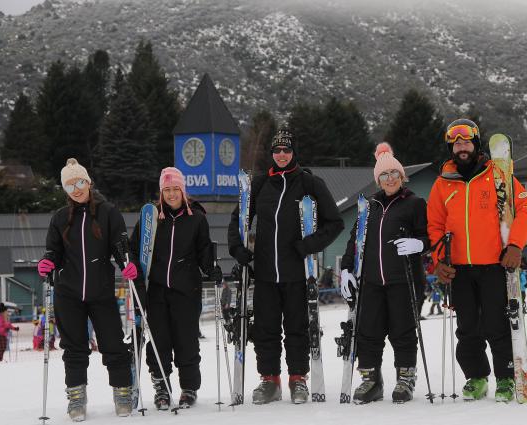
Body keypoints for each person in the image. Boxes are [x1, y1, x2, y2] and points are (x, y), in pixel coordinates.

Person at [227, 127, 344, 404]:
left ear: (294, 153)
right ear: (272, 154)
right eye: (277, 150)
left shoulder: (309, 183)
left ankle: (297, 379)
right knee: (266, 329)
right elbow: (237, 219)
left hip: (297, 273)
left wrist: (308, 245)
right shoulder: (259, 185)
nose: (281, 155)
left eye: (286, 150)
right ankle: (270, 380)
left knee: (297, 327)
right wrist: (239, 249)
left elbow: (335, 223)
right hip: (266, 273)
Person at [427, 119, 527, 403]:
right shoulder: (442, 184)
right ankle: (476, 377)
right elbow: (435, 226)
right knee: (467, 328)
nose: (462, 147)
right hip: (458, 268)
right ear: (451, 148)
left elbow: (524, 209)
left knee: (497, 325)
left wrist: (515, 245)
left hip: (495, 266)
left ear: (476, 144)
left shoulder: (499, 176)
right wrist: (439, 261)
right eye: (456, 143)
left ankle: (506, 378)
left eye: (467, 142)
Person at [37, 158, 137, 421]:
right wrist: (47, 263)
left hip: (101, 292)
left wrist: (128, 264)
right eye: (70, 185)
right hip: (68, 293)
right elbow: (53, 251)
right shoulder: (60, 218)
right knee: (74, 347)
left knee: (113, 344)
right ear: (65, 190)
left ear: (89, 182)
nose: (77, 189)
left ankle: (123, 392)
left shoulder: (108, 213)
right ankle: (76, 397)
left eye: (80, 182)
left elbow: (121, 247)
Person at [339, 142, 428, 404]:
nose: (390, 179)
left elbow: (428, 235)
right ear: (378, 179)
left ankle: (405, 378)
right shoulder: (368, 207)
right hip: (371, 282)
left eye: (394, 174)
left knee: (403, 331)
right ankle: (371, 380)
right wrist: (346, 269)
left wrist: (419, 244)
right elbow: (355, 241)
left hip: (404, 280)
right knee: (369, 332)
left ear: (402, 177)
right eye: (384, 175)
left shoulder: (414, 204)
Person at [130, 167, 221, 410]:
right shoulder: (151, 218)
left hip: (186, 290)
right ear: (161, 192)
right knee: (159, 341)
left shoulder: (196, 219)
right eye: (166, 190)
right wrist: (132, 267)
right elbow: (134, 248)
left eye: (175, 189)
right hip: (157, 290)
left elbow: (204, 251)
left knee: (186, 341)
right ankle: (161, 387)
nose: (171, 195)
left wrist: (212, 268)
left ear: (183, 190)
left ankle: (188, 388)